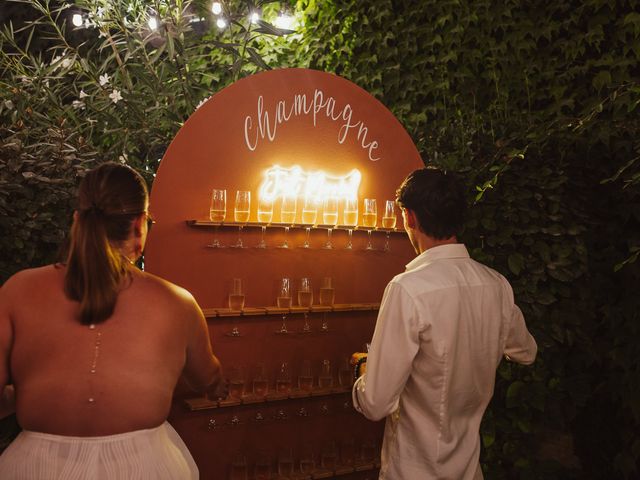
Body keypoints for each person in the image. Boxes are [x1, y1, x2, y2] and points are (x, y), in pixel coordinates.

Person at [0, 162, 222, 479]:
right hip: (144, 467)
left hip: (35, 467)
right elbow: (210, 381)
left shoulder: (17, 291)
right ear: (139, 225)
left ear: (77, 220)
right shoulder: (177, 303)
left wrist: (31, 390)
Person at [352, 166, 537, 480]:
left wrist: (363, 372)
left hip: (413, 471)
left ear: (409, 217)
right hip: (469, 470)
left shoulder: (407, 289)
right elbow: (526, 352)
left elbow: (375, 403)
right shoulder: (496, 285)